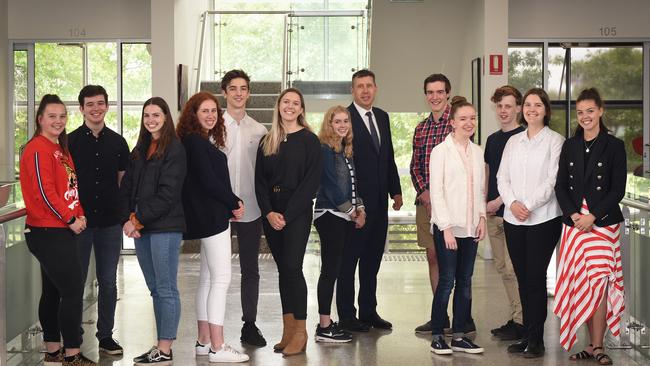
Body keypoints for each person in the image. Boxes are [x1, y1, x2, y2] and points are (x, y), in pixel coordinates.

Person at [19, 94, 97, 366]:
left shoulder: (59, 149)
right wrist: (70, 219)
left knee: (53, 291)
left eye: (62, 116)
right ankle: (72, 354)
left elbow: (69, 189)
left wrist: (80, 213)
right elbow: (44, 192)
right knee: (73, 290)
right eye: (52, 116)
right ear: (40, 119)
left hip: (61, 229)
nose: (58, 121)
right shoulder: (37, 148)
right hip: (47, 231)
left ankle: (53, 351)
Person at [553, 88, 626, 365]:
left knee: (599, 283)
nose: (585, 116)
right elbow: (560, 186)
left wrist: (592, 215)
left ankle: (598, 346)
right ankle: (589, 345)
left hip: (602, 224)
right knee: (581, 283)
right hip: (574, 225)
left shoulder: (614, 146)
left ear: (600, 111)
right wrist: (573, 215)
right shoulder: (570, 145)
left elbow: (617, 189)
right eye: (581, 112)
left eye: (590, 111)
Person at [176, 91, 250, 363]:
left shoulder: (195, 141)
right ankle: (218, 347)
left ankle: (204, 342)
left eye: (214, 111)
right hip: (211, 218)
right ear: (193, 114)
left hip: (208, 216)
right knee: (221, 279)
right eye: (204, 110)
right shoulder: (196, 143)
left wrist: (228, 204)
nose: (210, 115)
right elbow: (209, 182)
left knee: (208, 280)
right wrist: (235, 202)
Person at [497, 88, 565, 358]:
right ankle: (526, 334)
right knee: (522, 278)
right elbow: (502, 178)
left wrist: (529, 205)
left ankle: (537, 340)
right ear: (521, 109)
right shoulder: (513, 141)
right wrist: (513, 203)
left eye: (538, 105)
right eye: (527, 105)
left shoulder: (555, 141)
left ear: (546, 110)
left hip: (544, 219)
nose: (531, 109)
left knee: (536, 278)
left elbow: (552, 181)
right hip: (514, 219)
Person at [119, 97, 187, 365]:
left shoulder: (175, 149)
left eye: (156, 115)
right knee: (155, 289)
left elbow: (168, 194)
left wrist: (136, 220)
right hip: (143, 228)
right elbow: (128, 188)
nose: (151, 119)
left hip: (165, 228)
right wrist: (128, 218)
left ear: (166, 117)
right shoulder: (141, 149)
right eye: (147, 115)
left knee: (166, 288)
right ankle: (160, 345)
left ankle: (165, 348)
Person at [255, 88, 321, 356]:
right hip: (272, 213)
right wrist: (269, 212)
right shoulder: (267, 141)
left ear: (301, 109)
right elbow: (259, 182)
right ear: (278, 106)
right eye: (286, 102)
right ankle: (287, 328)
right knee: (284, 270)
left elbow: (311, 183)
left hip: (298, 212)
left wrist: (288, 214)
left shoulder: (310, 141)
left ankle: (301, 332)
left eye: (295, 103)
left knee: (293, 268)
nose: (290, 107)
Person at [337, 69, 402, 333]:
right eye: (359, 86)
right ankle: (347, 315)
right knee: (349, 261)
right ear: (352, 91)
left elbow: (387, 157)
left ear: (376, 88)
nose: (365, 91)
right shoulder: (344, 118)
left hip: (380, 204)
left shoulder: (383, 117)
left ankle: (368, 311)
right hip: (356, 207)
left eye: (369, 86)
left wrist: (395, 191)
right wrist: (353, 205)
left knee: (372, 260)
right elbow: (341, 164)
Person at [68, 85, 130, 355]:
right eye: (90, 104)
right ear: (81, 108)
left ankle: (105, 336)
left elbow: (122, 182)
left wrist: (123, 215)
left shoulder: (118, 142)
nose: (96, 108)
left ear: (107, 106)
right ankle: (74, 338)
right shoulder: (68, 142)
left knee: (107, 282)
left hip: (109, 225)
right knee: (75, 282)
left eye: (100, 103)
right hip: (78, 224)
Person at [410, 74, 474, 334]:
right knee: (433, 257)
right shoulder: (421, 128)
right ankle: (441, 316)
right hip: (425, 204)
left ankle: (463, 317)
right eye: (430, 92)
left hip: (455, 205)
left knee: (459, 265)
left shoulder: (456, 124)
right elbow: (416, 166)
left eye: (439, 92)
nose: (434, 96)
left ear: (447, 93)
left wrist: (440, 198)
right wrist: (425, 193)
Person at [428, 97, 486, 355]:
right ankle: (438, 334)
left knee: (465, 281)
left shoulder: (478, 151)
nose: (469, 122)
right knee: (447, 281)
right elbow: (437, 192)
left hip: (471, 226)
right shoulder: (440, 151)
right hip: (448, 227)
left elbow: (481, 190)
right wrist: (446, 227)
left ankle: (460, 335)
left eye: (472, 118)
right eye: (463, 118)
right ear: (452, 123)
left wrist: (482, 218)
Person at [220, 70, 269, 347]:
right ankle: (213, 328)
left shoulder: (259, 130)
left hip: (250, 208)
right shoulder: (214, 127)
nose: (239, 93)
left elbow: (263, 173)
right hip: (219, 209)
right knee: (216, 271)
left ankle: (249, 325)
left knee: (250, 270)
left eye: (243, 88)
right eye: (233, 88)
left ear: (248, 93)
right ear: (225, 92)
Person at [313, 105, 366, 343]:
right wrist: (353, 211)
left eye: (346, 121)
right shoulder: (324, 150)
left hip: (343, 215)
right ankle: (324, 326)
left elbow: (353, 186)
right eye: (338, 122)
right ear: (329, 124)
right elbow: (331, 186)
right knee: (329, 271)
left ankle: (328, 323)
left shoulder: (345, 150)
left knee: (337, 269)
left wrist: (360, 208)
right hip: (329, 215)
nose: (343, 125)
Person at [483, 85, 525, 340]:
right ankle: (516, 317)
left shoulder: (522, 138)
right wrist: (484, 202)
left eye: (508, 106)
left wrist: (498, 201)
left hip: (510, 212)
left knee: (514, 268)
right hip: (491, 213)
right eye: (499, 106)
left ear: (518, 108)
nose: (503, 111)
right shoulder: (493, 139)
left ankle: (524, 321)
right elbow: (488, 173)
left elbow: (518, 180)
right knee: (502, 268)